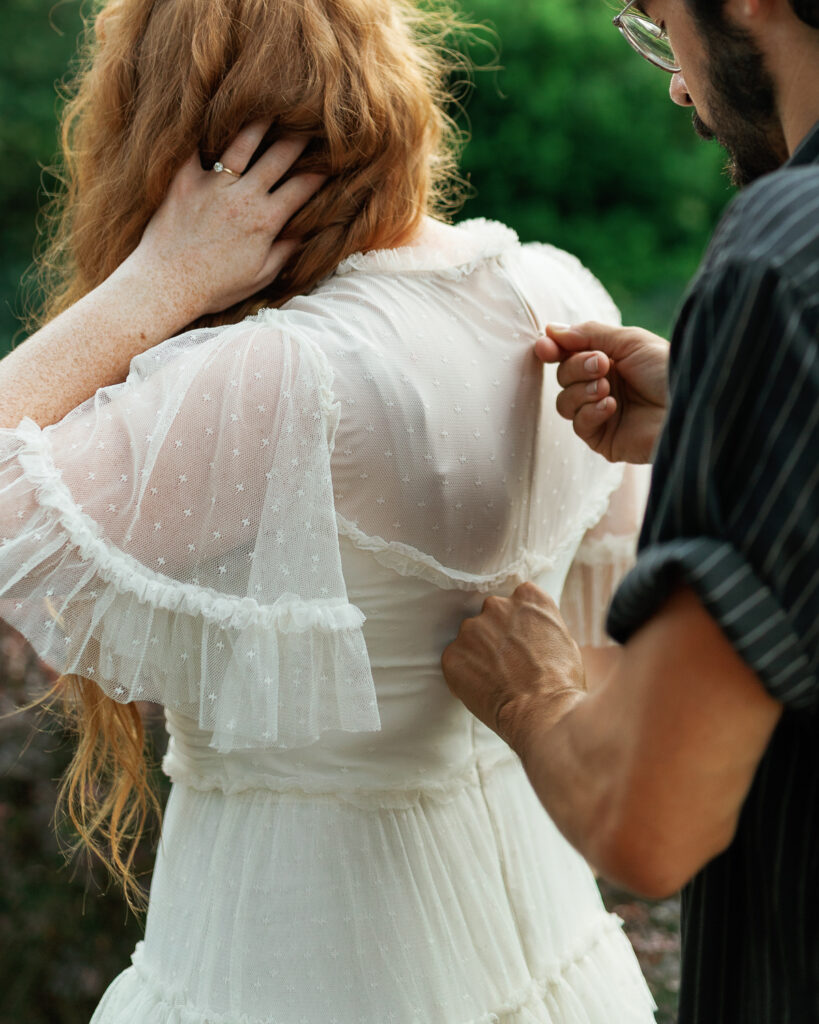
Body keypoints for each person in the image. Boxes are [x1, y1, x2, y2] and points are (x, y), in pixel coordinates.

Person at [0, 0, 660, 1020]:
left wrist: (153, 285)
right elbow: (606, 629)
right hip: (549, 949)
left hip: (300, 954)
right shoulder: (556, 288)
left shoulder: (283, 374)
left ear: (180, 145)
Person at [441, 0, 819, 1021]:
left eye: (659, 23)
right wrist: (719, 402)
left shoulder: (785, 252)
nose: (679, 85)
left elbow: (650, 821)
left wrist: (532, 693)